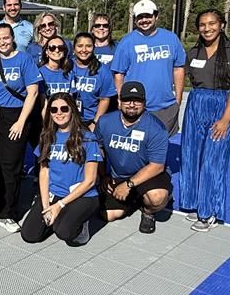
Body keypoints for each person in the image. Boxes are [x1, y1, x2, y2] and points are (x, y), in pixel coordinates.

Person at [180, 9, 230, 232]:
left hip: (221, 106)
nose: (207, 28)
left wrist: (225, 119)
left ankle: (209, 211)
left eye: (212, 24)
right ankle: (193, 203)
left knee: (212, 162)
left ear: (222, 25)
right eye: (202, 24)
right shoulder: (193, 53)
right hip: (196, 105)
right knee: (190, 156)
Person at [0, 23, 40, 232]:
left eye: (5, 38)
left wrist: (21, 121)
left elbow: (33, 93)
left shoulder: (24, 59)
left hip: (15, 114)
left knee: (11, 165)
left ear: (12, 38)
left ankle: (8, 213)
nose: (2, 42)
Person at [21, 93, 102, 246]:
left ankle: (81, 224)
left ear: (72, 110)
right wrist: (46, 207)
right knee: (29, 235)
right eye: (54, 109)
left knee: (64, 233)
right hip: (54, 194)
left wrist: (59, 206)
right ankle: (59, 218)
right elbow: (44, 172)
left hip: (82, 195)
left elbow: (90, 181)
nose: (59, 113)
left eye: (64, 108)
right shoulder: (47, 137)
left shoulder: (87, 138)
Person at [94, 81, 172, 234]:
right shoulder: (105, 122)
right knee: (108, 215)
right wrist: (103, 176)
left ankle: (148, 211)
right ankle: (134, 201)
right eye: (127, 100)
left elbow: (157, 166)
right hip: (119, 175)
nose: (131, 104)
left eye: (137, 100)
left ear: (144, 103)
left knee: (157, 198)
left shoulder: (156, 128)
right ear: (119, 102)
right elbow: (98, 150)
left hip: (148, 174)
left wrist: (128, 185)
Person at [112, 0, 186, 136]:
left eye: (148, 16)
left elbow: (178, 69)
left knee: (161, 147)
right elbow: (118, 74)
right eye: (140, 17)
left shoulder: (171, 38)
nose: (144, 20)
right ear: (135, 20)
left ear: (156, 16)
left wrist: (178, 99)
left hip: (165, 106)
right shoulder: (127, 42)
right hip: (136, 106)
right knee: (136, 147)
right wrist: (121, 99)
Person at [71, 32, 115, 130]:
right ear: (74, 48)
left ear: (94, 48)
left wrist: (95, 123)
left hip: (90, 120)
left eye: (88, 46)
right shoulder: (67, 67)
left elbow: (104, 99)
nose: (84, 50)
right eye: (80, 46)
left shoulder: (102, 70)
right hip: (68, 119)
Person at [38, 35, 75, 99]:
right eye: (52, 48)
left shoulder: (69, 73)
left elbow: (71, 99)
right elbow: (42, 101)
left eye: (60, 48)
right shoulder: (40, 73)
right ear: (46, 52)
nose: (57, 50)